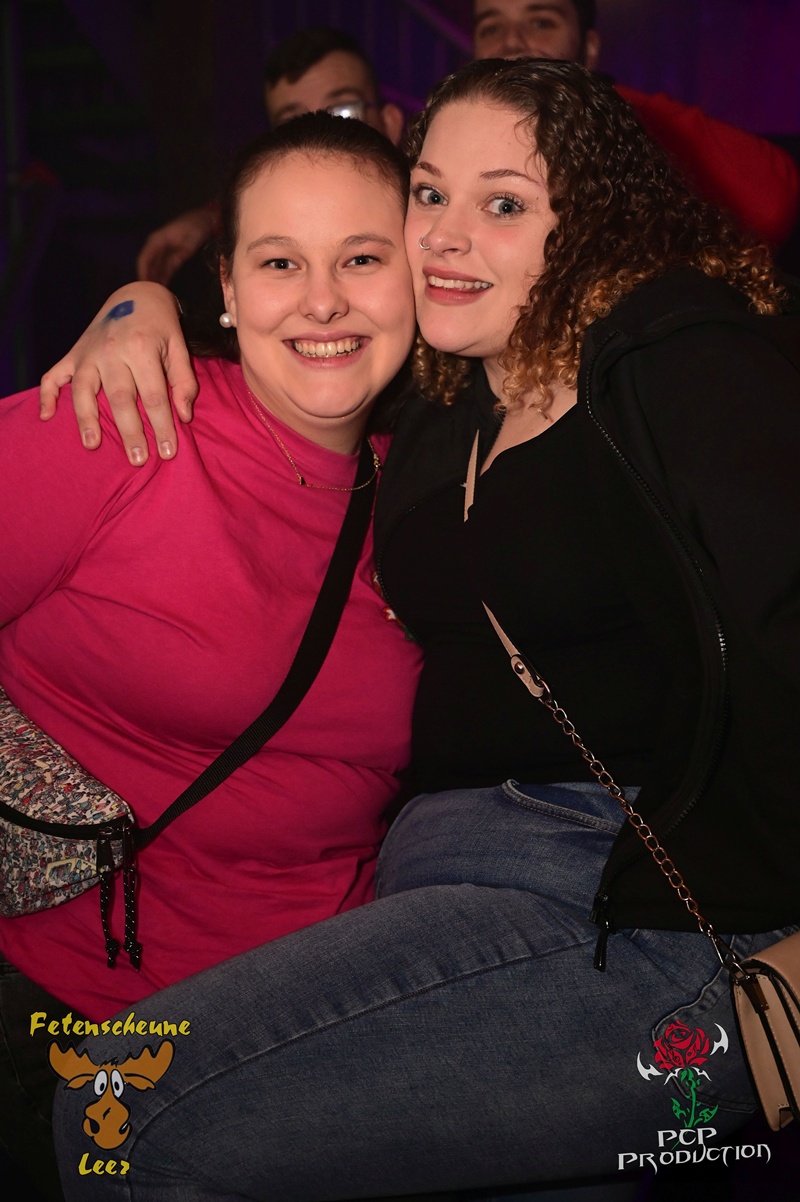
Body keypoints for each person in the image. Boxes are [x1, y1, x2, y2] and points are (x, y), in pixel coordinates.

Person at [45, 58, 800, 1200]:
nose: (445, 235)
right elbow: (303, 317)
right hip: (445, 902)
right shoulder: (446, 399)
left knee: (118, 1105)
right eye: (430, 193)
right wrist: (135, 304)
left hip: (622, 896)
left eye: (504, 203)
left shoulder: (675, 353)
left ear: (590, 223)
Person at [0, 114, 420, 1201]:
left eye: (361, 259)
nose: (321, 301)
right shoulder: (122, 420)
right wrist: (134, 302)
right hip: (76, 1016)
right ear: (226, 287)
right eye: (280, 263)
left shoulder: (440, 496)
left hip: (325, 1021)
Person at [471, 0, 800, 247]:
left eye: (541, 23)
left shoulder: (624, 129)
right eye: (491, 28)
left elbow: (772, 203)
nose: (511, 41)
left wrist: (600, 100)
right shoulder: (455, 138)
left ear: (589, 48)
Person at [137, 26, 405, 286]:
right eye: (293, 124)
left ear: (390, 123)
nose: (320, 140)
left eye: (344, 112)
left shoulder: (420, 226)